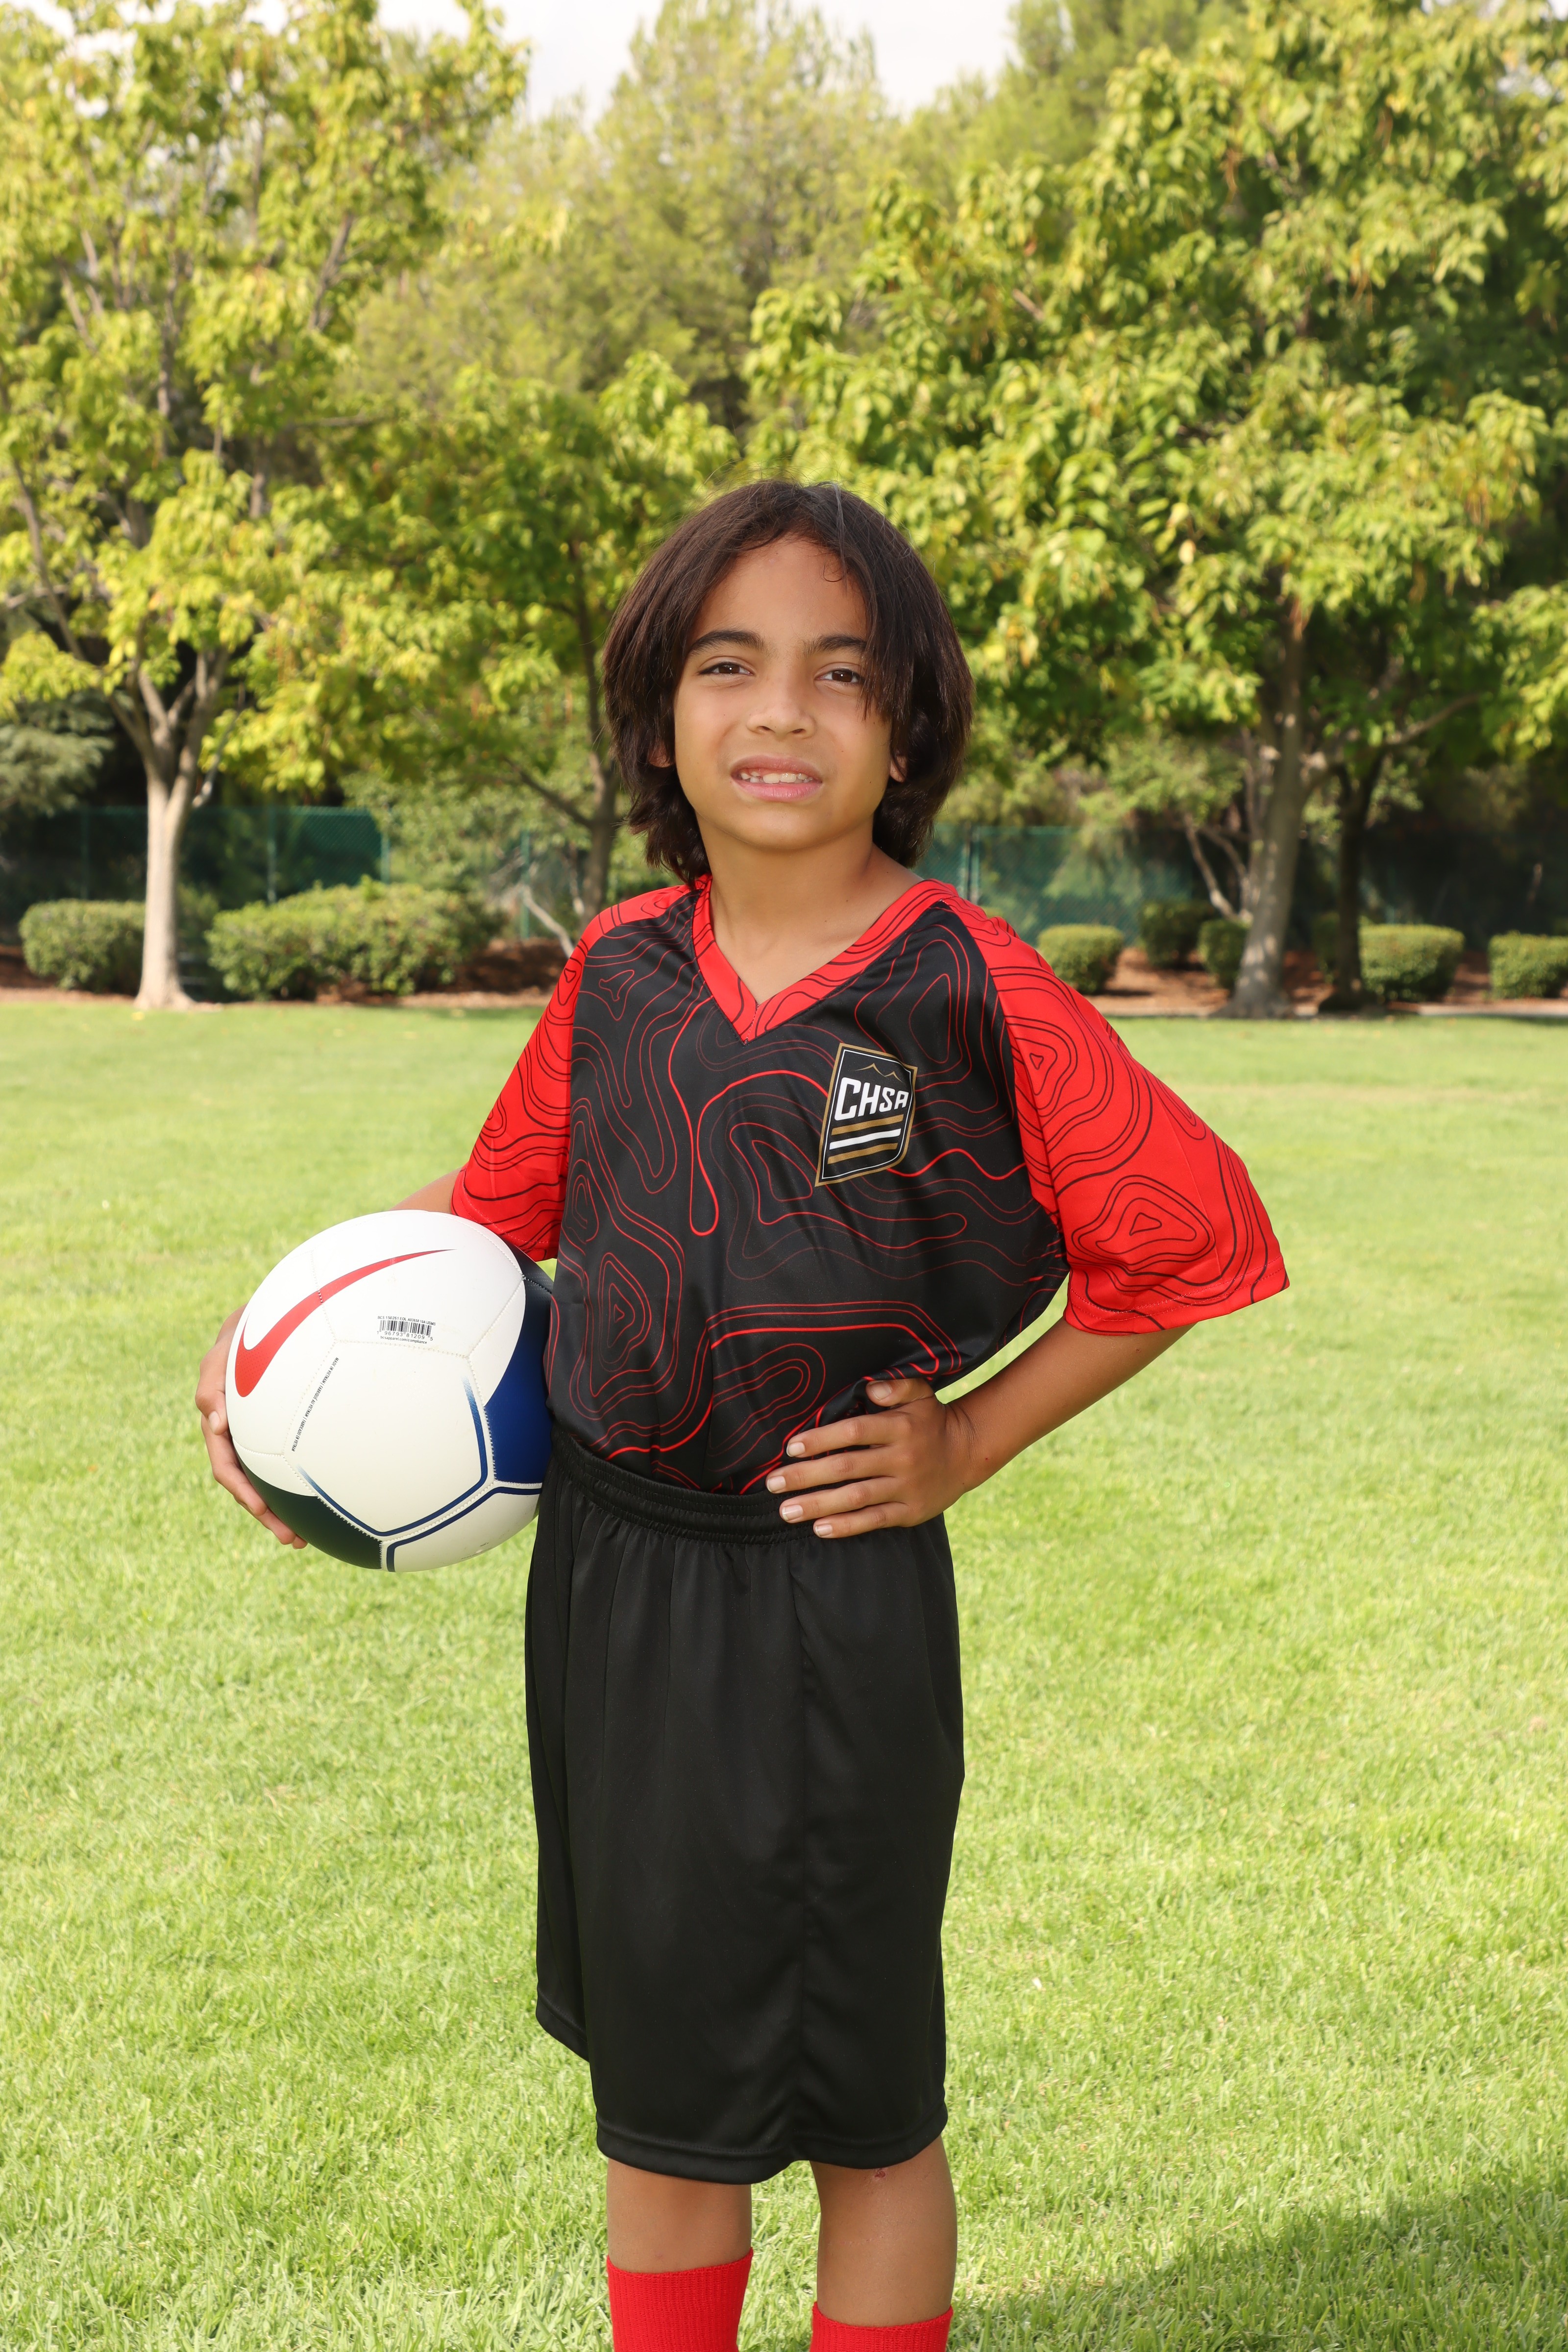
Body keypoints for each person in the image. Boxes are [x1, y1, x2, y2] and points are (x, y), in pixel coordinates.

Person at [196, 481, 1287, 2350]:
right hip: (611, 1592)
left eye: (839, 673)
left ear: (907, 730)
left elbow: (1189, 1239)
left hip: (825, 1600)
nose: (782, 710)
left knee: (864, 2111)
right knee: (661, 2094)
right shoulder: (619, 970)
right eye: (730, 665)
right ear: (659, 718)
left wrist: (967, 1440)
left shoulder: (966, 983)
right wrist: (291, 1367)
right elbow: (486, 1231)